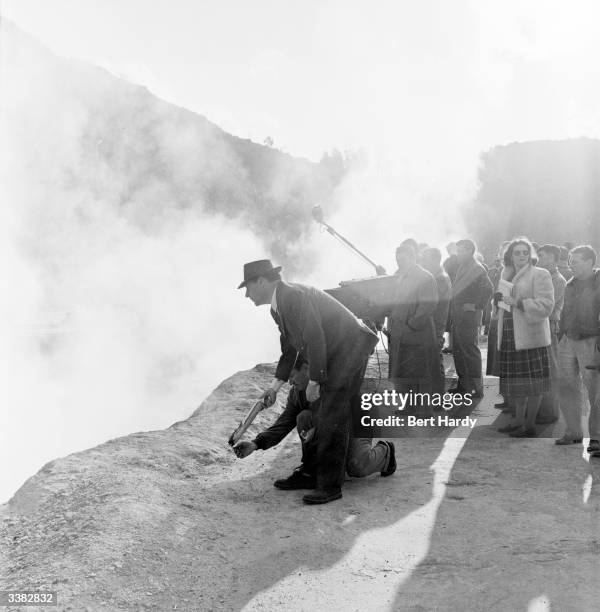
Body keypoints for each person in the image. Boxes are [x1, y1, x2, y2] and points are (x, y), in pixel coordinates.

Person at [238, 259, 386, 504]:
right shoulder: (278, 306)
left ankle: (330, 487)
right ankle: (310, 473)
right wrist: (276, 386)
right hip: (334, 354)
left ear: (262, 281)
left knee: (332, 413)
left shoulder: (293, 296)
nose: (247, 295)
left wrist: (315, 380)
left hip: (349, 351)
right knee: (310, 415)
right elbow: (289, 350)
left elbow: (315, 338)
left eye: (248, 287)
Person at [232, 362, 395, 488]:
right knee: (304, 417)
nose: (290, 382)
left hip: (356, 423)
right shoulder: (297, 393)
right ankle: (310, 472)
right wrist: (256, 444)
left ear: (306, 368)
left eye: (292, 376)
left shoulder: (331, 383)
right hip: (330, 426)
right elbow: (284, 423)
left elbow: (341, 420)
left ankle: (386, 453)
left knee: (356, 466)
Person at [495, 238, 554, 437]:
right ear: (510, 256)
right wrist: (498, 303)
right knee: (517, 384)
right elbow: (505, 304)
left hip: (530, 336)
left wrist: (519, 303)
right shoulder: (506, 275)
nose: (521, 256)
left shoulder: (540, 274)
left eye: (525, 252)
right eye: (517, 252)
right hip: (511, 334)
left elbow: (547, 305)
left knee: (533, 384)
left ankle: (529, 426)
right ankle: (519, 421)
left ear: (530, 255)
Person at [555, 245, 600, 452]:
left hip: (592, 341)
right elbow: (565, 311)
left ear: (591, 262)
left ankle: (597, 438)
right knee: (567, 387)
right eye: (571, 261)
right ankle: (573, 431)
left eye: (577, 262)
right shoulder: (570, 283)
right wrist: (561, 335)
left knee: (595, 391)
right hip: (568, 340)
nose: (571, 265)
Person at [386, 244, 439, 415]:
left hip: (418, 335)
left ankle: (424, 411)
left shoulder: (425, 277)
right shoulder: (397, 276)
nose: (400, 262)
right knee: (403, 372)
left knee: (420, 373)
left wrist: (412, 324)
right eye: (397, 258)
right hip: (399, 334)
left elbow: (428, 305)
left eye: (403, 258)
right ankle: (408, 407)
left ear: (413, 257)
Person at [450, 239, 493, 397]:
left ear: (470, 251)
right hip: (459, 316)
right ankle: (464, 385)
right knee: (459, 351)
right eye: (457, 250)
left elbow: (488, 289)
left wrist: (476, 306)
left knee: (469, 351)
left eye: (461, 250)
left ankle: (476, 388)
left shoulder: (477, 268)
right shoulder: (464, 266)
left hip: (468, 317)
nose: (458, 253)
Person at [537, 244, 567, 424]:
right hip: (539, 326)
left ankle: (550, 412)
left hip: (549, 326)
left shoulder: (557, 280)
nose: (540, 259)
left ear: (555, 259)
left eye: (545, 256)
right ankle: (541, 409)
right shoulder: (542, 276)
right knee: (540, 369)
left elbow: (545, 306)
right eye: (539, 255)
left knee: (550, 370)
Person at [421, 247, 451, 397]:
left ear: (434, 259)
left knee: (433, 363)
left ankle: (437, 399)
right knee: (431, 363)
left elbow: (432, 303)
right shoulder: (438, 275)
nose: (422, 261)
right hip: (433, 324)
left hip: (434, 325)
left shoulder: (439, 278)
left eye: (425, 258)